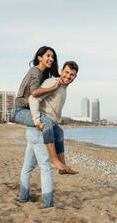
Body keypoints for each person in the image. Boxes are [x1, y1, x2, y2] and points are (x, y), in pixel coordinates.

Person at [19, 61, 79, 207]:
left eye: (72, 75)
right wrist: (37, 120)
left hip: (36, 130)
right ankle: (48, 204)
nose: (68, 76)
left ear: (75, 77)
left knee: (28, 167)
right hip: (39, 129)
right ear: (61, 70)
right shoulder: (53, 82)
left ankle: (23, 197)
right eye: (66, 72)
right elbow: (34, 98)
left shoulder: (63, 87)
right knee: (46, 168)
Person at [11, 46, 69, 171]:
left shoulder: (45, 74)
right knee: (47, 122)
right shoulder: (35, 71)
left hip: (28, 111)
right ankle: (54, 161)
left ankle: (62, 165)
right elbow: (35, 93)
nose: (51, 59)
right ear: (39, 58)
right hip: (19, 111)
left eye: (53, 57)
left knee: (58, 131)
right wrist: (53, 88)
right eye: (48, 56)